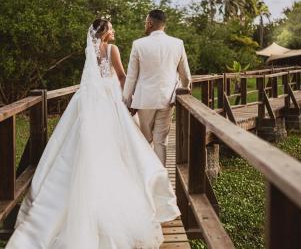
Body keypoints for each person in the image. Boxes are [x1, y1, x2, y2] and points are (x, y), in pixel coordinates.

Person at [6, 19, 180, 249]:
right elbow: (120, 75)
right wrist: (127, 97)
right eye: (111, 27)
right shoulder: (112, 49)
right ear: (105, 32)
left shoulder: (90, 49)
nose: (114, 30)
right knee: (118, 146)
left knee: (74, 144)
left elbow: (91, 76)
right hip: (108, 99)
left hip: (88, 99)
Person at [123, 9, 191, 166]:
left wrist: (126, 101)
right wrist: (183, 90)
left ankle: (147, 177)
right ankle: (161, 181)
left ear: (150, 23)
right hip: (167, 100)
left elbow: (131, 76)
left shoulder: (138, 44)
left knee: (146, 140)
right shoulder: (177, 43)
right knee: (161, 142)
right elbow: (186, 75)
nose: (145, 25)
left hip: (144, 100)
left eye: (145, 22)